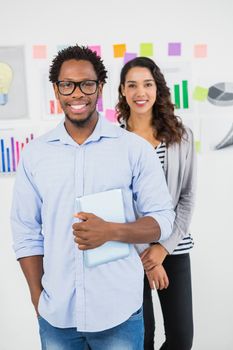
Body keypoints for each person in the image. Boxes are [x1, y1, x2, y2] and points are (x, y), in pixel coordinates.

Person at [11, 45, 175, 350]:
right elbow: (25, 232)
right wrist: (38, 297)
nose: (77, 93)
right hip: (57, 317)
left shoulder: (133, 149)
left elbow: (163, 220)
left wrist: (112, 231)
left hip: (119, 314)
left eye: (87, 84)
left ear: (100, 87)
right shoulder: (35, 154)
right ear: (56, 90)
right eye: (67, 84)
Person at [116, 57, 197, 350]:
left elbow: (187, 197)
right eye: (132, 85)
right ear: (123, 91)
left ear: (157, 89)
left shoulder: (181, 136)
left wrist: (163, 249)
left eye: (147, 84)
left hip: (173, 248)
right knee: (141, 339)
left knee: (180, 338)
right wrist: (147, 256)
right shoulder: (113, 141)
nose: (141, 92)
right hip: (129, 253)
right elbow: (118, 204)